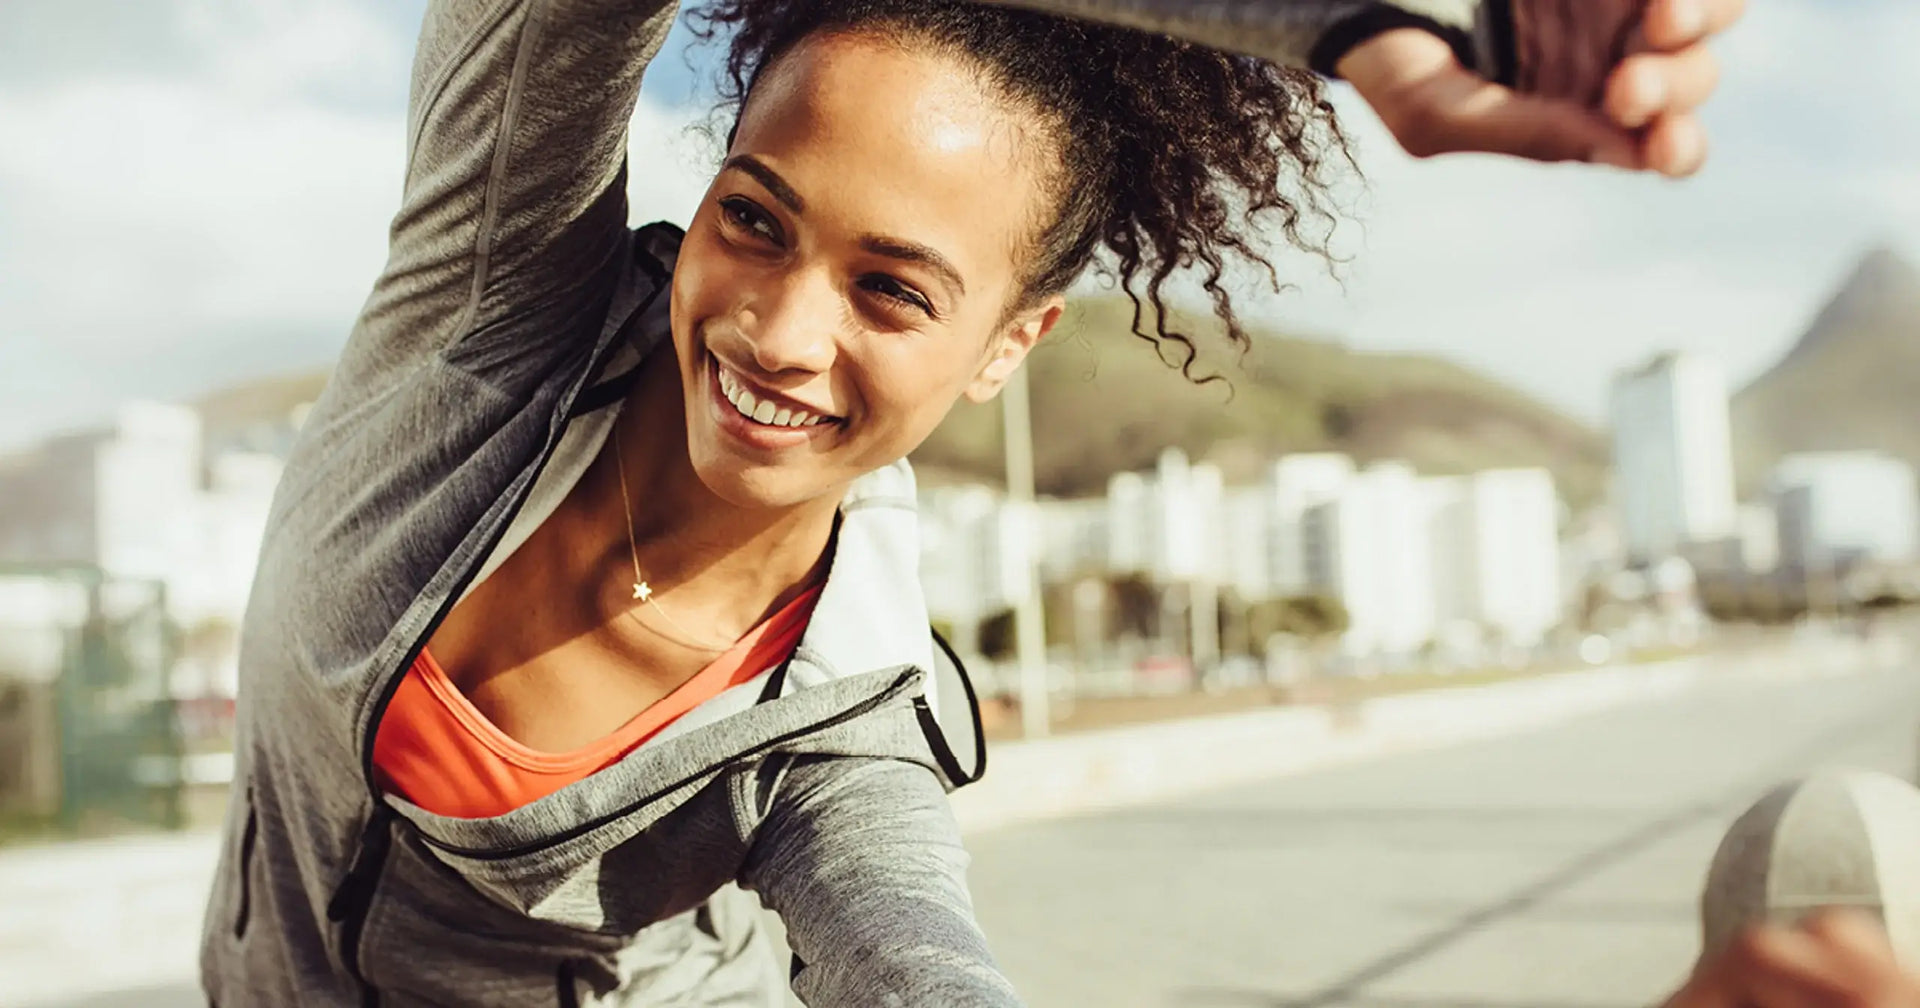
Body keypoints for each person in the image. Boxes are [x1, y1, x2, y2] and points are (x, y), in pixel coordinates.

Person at [193, 0, 1907, 1005]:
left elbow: (919, 963)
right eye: (759, 220)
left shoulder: (839, 727)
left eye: (894, 290)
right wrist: (1360, 25)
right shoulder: (482, 321)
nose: (780, 331)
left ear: (1012, 344)